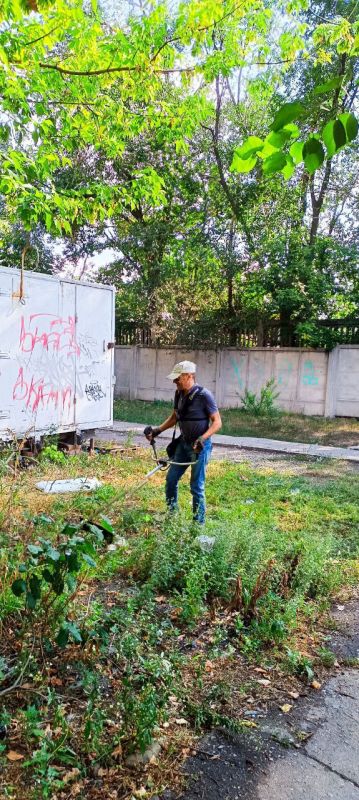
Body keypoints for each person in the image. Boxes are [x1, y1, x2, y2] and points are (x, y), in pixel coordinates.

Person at [144, 360, 222, 524]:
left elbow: (217, 422)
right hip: (183, 444)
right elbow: (174, 417)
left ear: (189, 376)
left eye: (177, 378)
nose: (175, 382)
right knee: (171, 480)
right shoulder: (178, 394)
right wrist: (157, 430)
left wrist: (203, 438)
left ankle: (198, 525)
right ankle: (172, 516)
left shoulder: (204, 396)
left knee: (196, 486)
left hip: (199, 447)